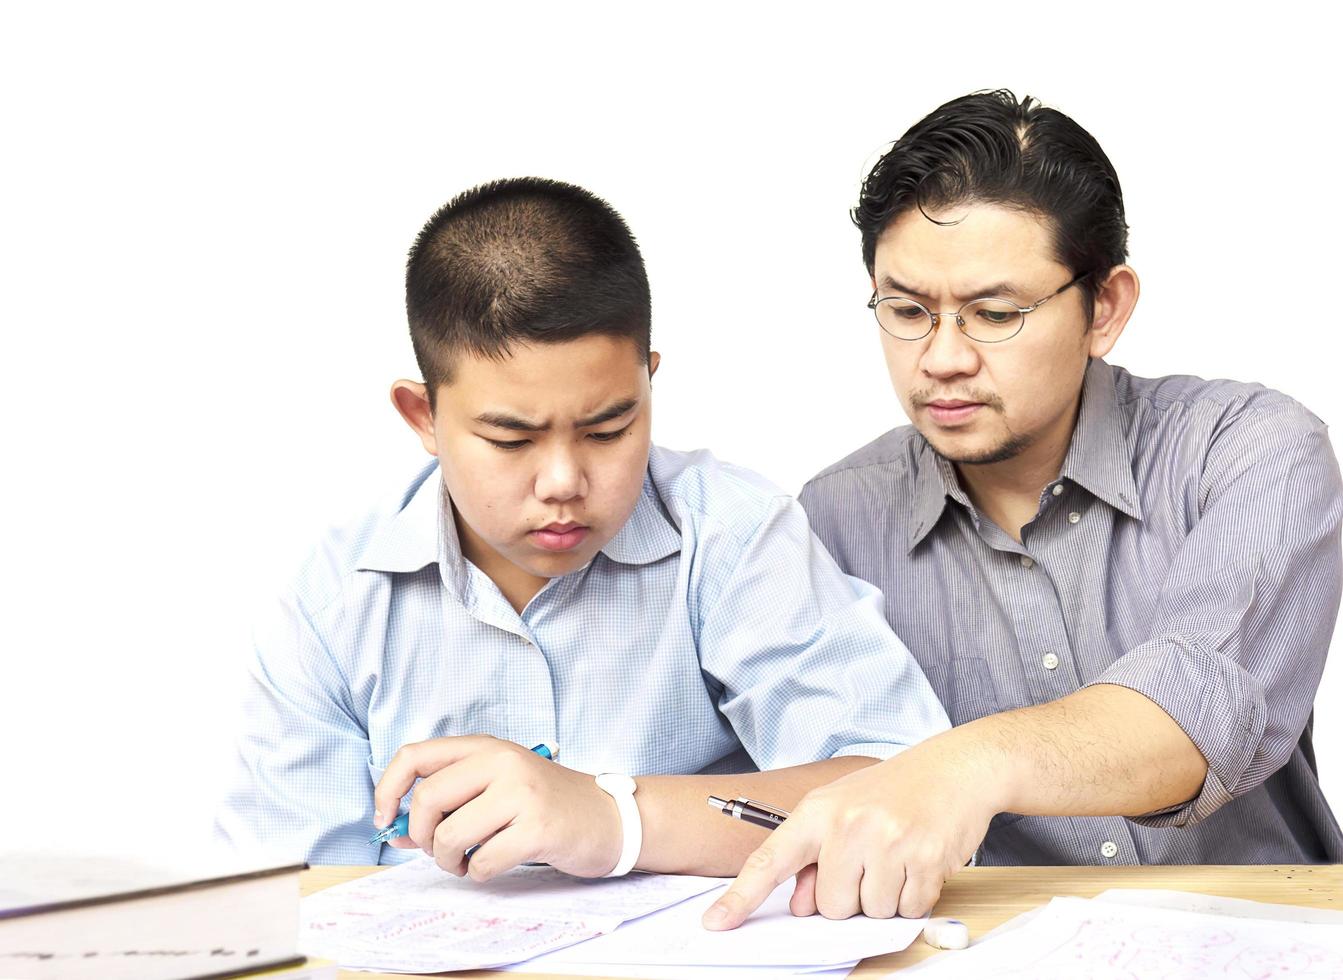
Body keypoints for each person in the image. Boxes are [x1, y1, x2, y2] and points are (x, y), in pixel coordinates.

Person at [705, 90, 1343, 930]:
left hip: (1265, 930)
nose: (940, 358)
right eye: (905, 311)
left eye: (994, 314)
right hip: (990, 943)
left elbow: (1200, 713)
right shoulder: (834, 518)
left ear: (1104, 308)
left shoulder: (1244, 449)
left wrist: (961, 765)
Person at [214, 177, 950, 878]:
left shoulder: (731, 538)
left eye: (608, 429)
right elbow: (286, 897)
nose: (564, 482)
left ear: (647, 384)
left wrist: (613, 817)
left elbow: (907, 787)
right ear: (422, 416)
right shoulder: (337, 601)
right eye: (510, 440)